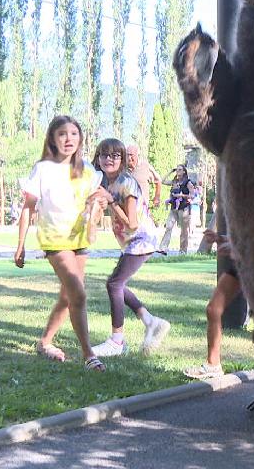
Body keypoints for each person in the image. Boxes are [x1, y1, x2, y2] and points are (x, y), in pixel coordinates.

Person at [14, 116, 108, 371]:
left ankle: (45, 342)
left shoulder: (87, 169)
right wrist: (20, 244)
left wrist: (100, 200)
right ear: (53, 139)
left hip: (79, 238)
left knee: (68, 296)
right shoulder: (43, 169)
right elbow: (27, 209)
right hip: (54, 239)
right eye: (63, 134)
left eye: (74, 134)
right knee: (78, 292)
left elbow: (96, 200)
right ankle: (89, 355)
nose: (69, 139)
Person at [88, 138, 172, 357]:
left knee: (114, 284)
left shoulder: (127, 182)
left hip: (141, 238)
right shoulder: (103, 182)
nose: (109, 159)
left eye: (115, 155)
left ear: (123, 159)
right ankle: (151, 321)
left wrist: (111, 202)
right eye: (104, 155)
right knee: (116, 284)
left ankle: (117, 341)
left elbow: (133, 223)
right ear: (97, 158)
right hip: (130, 241)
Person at [183, 229, 242, 380]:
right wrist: (220, 238)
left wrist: (238, 247)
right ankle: (213, 365)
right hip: (243, 262)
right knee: (213, 309)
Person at [159, 164, 197, 254]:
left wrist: (182, 195)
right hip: (174, 208)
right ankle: (163, 248)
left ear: (184, 171)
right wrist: (171, 171)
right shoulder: (174, 182)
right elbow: (162, 181)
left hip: (184, 208)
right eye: (177, 170)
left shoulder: (188, 182)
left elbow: (193, 196)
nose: (178, 171)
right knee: (168, 226)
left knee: (184, 231)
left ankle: (183, 251)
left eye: (180, 170)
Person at [125, 144, 162, 208]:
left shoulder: (145, 166)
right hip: (126, 206)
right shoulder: (122, 168)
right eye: (127, 155)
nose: (129, 158)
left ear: (137, 155)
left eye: (131, 155)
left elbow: (158, 180)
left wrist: (157, 197)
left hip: (141, 207)